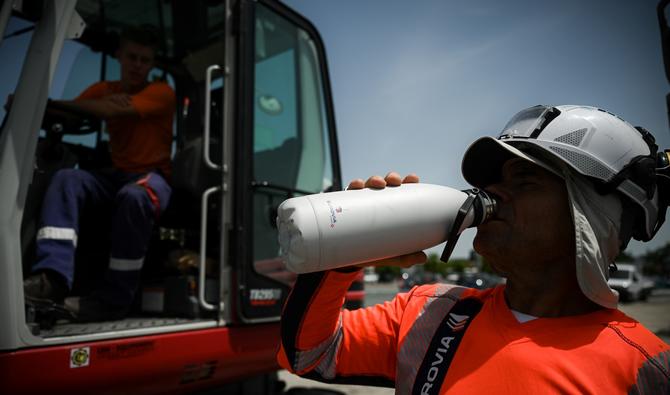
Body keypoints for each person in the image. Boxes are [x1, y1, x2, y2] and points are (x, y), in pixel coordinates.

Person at [277, 105, 670, 393]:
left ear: (593, 217)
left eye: (525, 180)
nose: (493, 192)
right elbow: (309, 354)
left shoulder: (646, 369)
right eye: (496, 179)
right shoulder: (430, 313)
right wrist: (343, 258)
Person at [22, 26, 176, 322]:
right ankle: (52, 278)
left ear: (152, 64)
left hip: (151, 178)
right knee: (67, 178)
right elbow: (74, 111)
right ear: (119, 55)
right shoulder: (106, 90)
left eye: (145, 60)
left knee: (134, 196)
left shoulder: (161, 92)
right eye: (132, 57)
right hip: (114, 176)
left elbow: (110, 112)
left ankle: (114, 299)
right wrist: (39, 105)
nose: (138, 65)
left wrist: (103, 108)